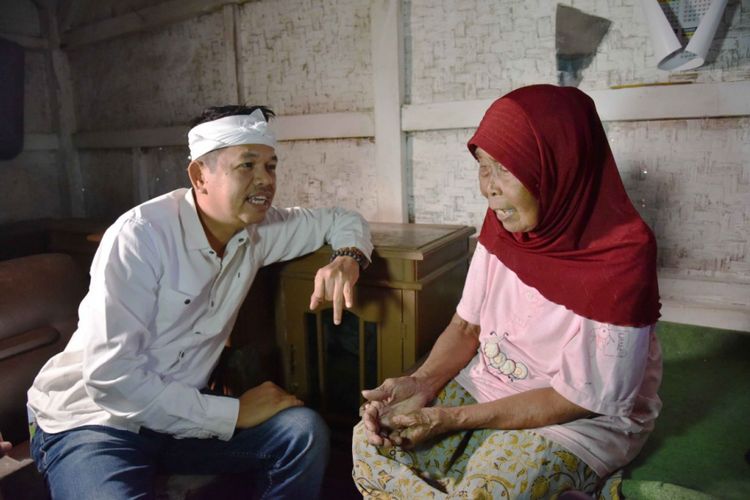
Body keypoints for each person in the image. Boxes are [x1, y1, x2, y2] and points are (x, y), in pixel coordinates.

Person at [27, 105, 373, 499]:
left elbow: (341, 219)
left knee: (302, 432)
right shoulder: (141, 237)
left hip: (178, 419)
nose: (265, 181)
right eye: (246, 165)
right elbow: (111, 378)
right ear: (199, 176)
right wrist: (233, 413)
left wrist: (348, 258)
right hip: (95, 421)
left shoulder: (258, 230)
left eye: (271, 166)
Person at [352, 84, 662, 499]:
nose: (490, 188)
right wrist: (422, 383)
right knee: (370, 443)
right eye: (484, 166)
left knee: (494, 489)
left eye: (506, 168)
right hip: (490, 384)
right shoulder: (504, 224)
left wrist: (452, 417)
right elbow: (465, 328)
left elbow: (585, 399)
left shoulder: (622, 253)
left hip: (579, 415)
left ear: (559, 167)